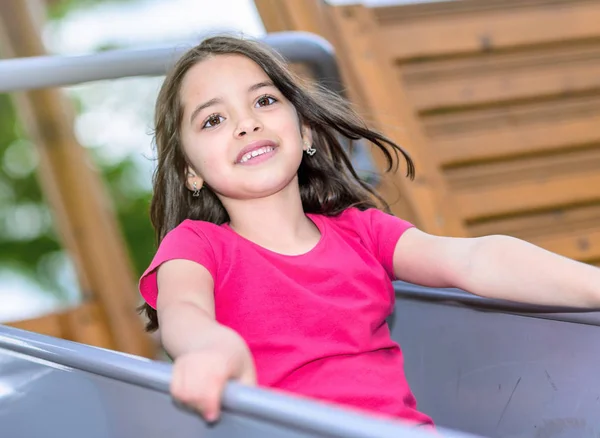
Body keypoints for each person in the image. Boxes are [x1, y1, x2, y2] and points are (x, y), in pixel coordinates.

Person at [137, 35, 600, 427]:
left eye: (264, 100)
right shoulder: (195, 247)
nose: (246, 123)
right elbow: (185, 310)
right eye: (213, 119)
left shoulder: (363, 233)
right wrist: (209, 348)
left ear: (306, 132)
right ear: (189, 171)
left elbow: (474, 259)